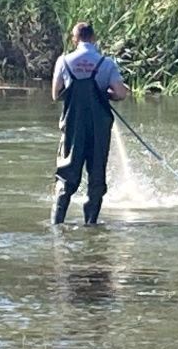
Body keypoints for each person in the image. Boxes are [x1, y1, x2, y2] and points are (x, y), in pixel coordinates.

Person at [50, 21, 129, 225]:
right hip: (99, 131)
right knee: (95, 180)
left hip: (73, 130)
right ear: (94, 38)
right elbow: (120, 93)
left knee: (66, 178)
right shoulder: (106, 63)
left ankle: (57, 225)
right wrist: (105, 93)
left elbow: (56, 94)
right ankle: (91, 225)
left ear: (74, 39)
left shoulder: (64, 61)